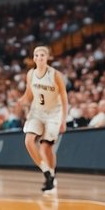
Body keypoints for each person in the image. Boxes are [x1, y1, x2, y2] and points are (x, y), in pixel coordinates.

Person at [15, 46, 68, 192]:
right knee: (28, 141)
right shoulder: (30, 74)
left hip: (54, 112)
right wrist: (21, 100)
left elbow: (64, 97)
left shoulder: (55, 75)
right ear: (33, 58)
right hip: (37, 111)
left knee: (46, 147)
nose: (39, 57)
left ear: (48, 57)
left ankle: (52, 174)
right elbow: (29, 93)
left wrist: (63, 119)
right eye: (36, 55)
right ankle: (46, 172)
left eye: (42, 55)